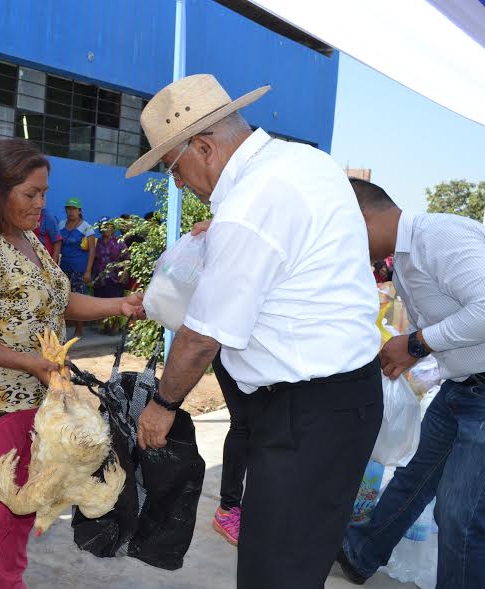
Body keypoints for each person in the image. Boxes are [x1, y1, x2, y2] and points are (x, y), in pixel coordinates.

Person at [127, 74, 382, 589]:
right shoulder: (302, 163)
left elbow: (201, 337)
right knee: (296, 559)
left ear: (203, 147)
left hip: (307, 412)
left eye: (174, 171)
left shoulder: (251, 203)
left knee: (275, 572)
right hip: (337, 402)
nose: (180, 186)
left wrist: (163, 406)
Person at [0, 138, 144, 589]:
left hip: (38, 401)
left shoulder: (28, 239)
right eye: (31, 193)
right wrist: (28, 362)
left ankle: (10, 584)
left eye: (44, 193)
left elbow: (59, 299)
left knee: (27, 504)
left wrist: (120, 306)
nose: (42, 203)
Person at [337, 179, 485, 589]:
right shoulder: (403, 263)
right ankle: (359, 553)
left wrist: (416, 345)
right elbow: (448, 326)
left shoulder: (439, 235)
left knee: (461, 515)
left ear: (362, 218)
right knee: (413, 479)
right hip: (464, 387)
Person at [59, 197, 96, 338]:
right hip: (63, 267)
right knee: (63, 298)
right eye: (68, 208)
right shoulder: (62, 224)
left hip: (79, 269)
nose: (70, 211)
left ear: (79, 211)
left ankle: (79, 329)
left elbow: (92, 250)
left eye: (74, 209)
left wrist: (88, 271)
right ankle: (63, 327)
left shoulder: (87, 227)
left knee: (79, 299)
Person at [92, 217, 128, 299]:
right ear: (100, 229)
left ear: (113, 228)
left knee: (114, 308)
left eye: (108, 226)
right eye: (103, 226)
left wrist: (125, 273)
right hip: (99, 282)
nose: (106, 228)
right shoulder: (96, 243)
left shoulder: (119, 242)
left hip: (115, 280)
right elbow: (93, 261)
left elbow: (127, 259)